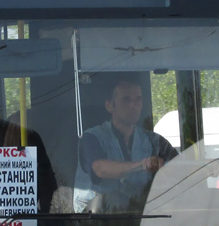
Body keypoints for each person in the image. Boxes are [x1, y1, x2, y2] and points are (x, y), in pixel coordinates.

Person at [73, 75, 177, 212]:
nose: (133, 106)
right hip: (95, 225)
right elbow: (99, 168)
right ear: (109, 105)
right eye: (126, 99)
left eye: (138, 100)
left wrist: (203, 168)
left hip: (141, 222)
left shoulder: (154, 142)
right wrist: (140, 165)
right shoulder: (92, 138)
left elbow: (179, 166)